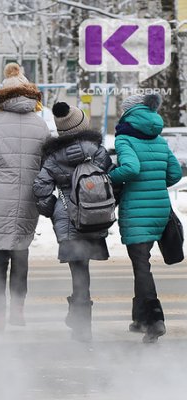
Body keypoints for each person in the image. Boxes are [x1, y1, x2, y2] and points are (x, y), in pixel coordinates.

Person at [0, 62, 50, 333]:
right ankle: (18, 310)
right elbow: (46, 162)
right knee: (21, 253)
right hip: (29, 194)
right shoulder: (41, 125)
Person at [33, 102, 113, 342]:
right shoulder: (97, 150)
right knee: (84, 268)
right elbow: (109, 179)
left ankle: (80, 322)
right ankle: (81, 322)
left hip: (68, 217)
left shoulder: (53, 155)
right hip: (94, 217)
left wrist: (53, 209)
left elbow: (40, 188)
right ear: (82, 124)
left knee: (78, 269)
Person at [108, 93, 182, 343]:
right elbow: (173, 174)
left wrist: (110, 178)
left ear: (128, 113)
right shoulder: (159, 140)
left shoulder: (125, 138)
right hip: (160, 208)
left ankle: (154, 320)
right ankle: (140, 319)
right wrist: (155, 182)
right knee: (142, 266)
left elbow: (131, 168)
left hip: (137, 210)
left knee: (141, 266)